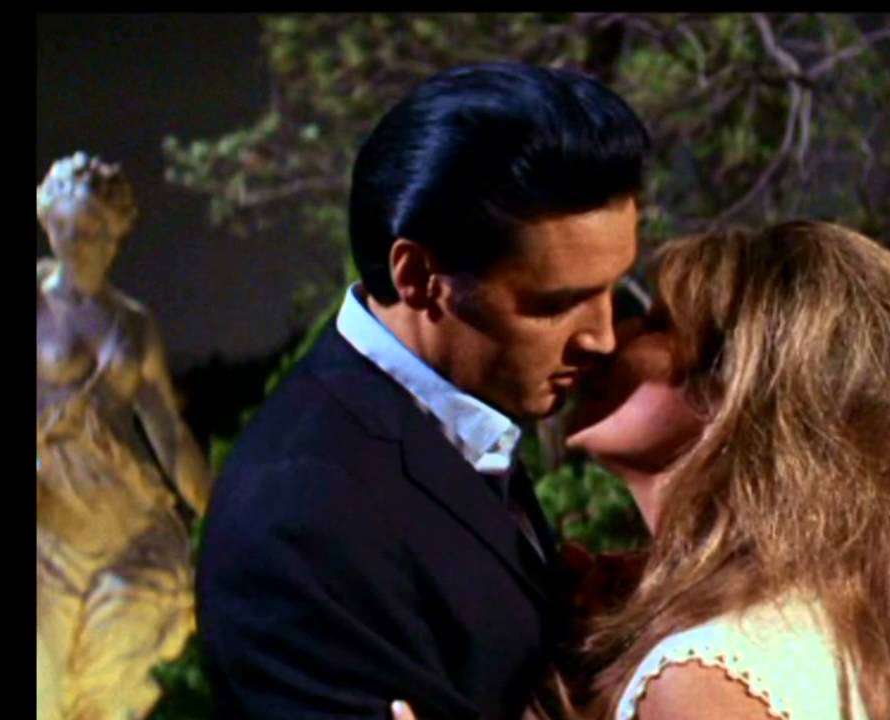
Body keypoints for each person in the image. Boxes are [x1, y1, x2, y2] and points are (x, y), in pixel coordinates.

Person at [196, 62, 651, 720]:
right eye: (555, 304)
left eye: (613, 288)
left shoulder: (444, 420)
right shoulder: (305, 511)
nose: (603, 337)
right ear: (418, 277)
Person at [393, 220, 890, 720]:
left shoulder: (704, 674)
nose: (608, 340)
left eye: (659, 323)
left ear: (740, 390)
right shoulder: (849, 645)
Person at [36, 152, 212, 719]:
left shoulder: (133, 323)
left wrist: (221, 515)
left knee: (109, 691)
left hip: (125, 520)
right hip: (50, 521)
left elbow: (169, 433)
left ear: (114, 235)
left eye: (88, 231)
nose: (72, 243)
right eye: (61, 227)